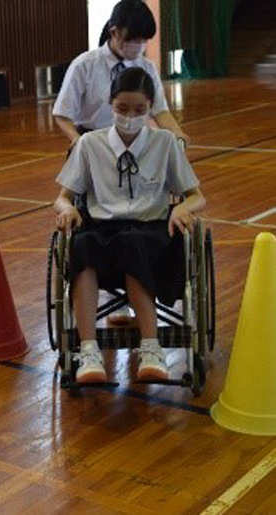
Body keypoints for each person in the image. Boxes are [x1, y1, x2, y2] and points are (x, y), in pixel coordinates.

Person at [53, 67, 205, 384]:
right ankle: (89, 351)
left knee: (134, 244)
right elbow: (63, 198)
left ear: (150, 108)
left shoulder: (165, 143)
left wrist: (182, 210)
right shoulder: (89, 145)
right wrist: (67, 209)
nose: (130, 116)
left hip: (151, 231)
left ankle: (151, 348)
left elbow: (196, 197)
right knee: (80, 245)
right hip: (103, 228)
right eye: (122, 109)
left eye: (139, 110)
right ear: (111, 104)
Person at [52, 0, 190, 151]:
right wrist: (78, 140)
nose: (140, 45)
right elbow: (62, 114)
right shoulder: (84, 65)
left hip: (133, 143)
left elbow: (160, 110)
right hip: (93, 142)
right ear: (114, 32)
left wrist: (177, 132)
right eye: (133, 40)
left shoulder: (147, 68)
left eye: (143, 40)